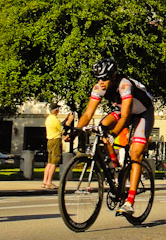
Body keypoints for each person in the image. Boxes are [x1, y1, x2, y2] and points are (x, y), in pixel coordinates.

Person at [74, 58, 154, 215]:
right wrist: (74, 131)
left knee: (135, 153)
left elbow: (125, 117)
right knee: (101, 127)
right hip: (123, 110)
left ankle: (130, 201)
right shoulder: (99, 87)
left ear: (113, 76)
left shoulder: (125, 85)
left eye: (104, 78)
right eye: (98, 78)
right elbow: (88, 113)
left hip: (142, 113)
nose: (101, 82)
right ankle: (115, 165)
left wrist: (113, 135)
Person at [42, 103, 73, 189]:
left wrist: (66, 119)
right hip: (56, 141)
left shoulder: (49, 119)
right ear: (56, 110)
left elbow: (59, 126)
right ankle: (49, 182)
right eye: (58, 109)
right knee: (54, 163)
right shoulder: (55, 120)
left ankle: (44, 181)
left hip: (50, 140)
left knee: (49, 162)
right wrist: (69, 121)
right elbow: (63, 130)